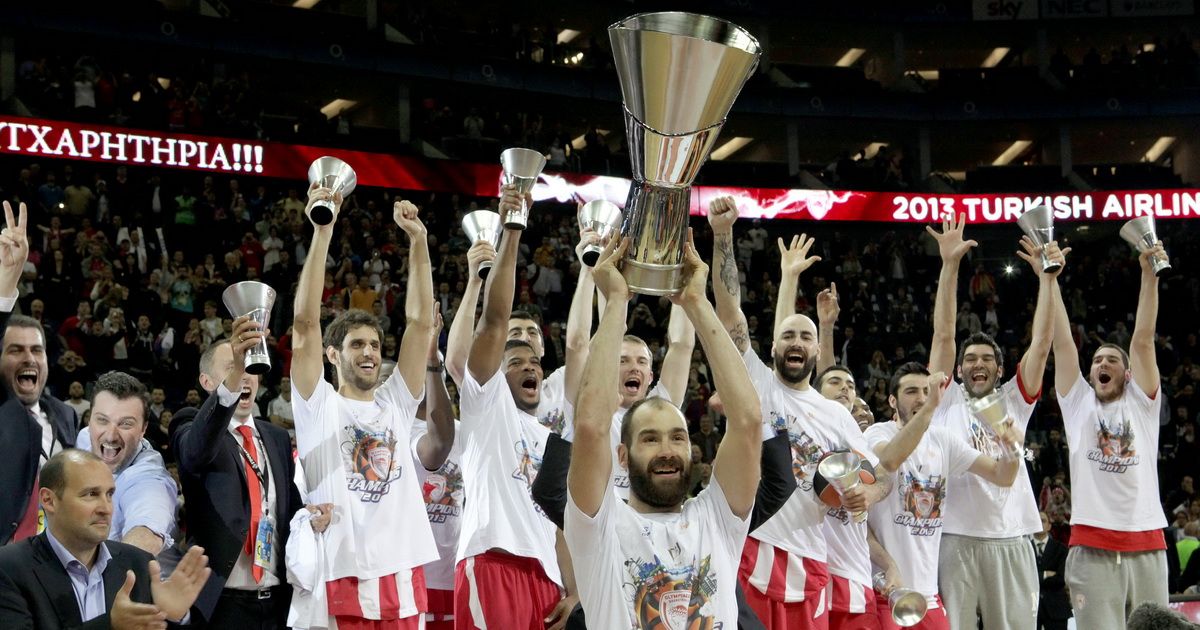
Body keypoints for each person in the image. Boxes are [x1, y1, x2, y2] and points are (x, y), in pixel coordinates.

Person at [566, 232, 763, 627]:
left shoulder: (717, 519)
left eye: (677, 437)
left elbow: (748, 421)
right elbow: (589, 425)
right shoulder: (600, 527)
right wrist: (616, 302)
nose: (667, 449)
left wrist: (696, 302)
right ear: (622, 456)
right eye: (650, 439)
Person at [709, 198, 889, 629]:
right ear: (774, 346)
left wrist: (869, 494)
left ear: (816, 350)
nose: (796, 342)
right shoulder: (758, 382)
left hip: (812, 556)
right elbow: (730, 312)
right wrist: (722, 234)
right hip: (755, 542)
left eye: (806, 337)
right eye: (788, 335)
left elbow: (879, 474)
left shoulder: (837, 415)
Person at [289, 187, 449, 629]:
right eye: (357, 344)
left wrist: (419, 241)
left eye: (375, 345)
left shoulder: (396, 402)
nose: (370, 353)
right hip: (342, 572)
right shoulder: (318, 405)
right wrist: (323, 230)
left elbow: (420, 324)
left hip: (402, 574)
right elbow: (305, 324)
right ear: (333, 355)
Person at [925, 215, 1060, 630]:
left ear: (1000, 370)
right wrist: (949, 265)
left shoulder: (1014, 400)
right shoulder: (945, 399)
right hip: (955, 537)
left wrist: (1047, 279)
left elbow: (1042, 343)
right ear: (959, 371)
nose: (977, 363)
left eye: (986, 359)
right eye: (970, 359)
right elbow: (944, 335)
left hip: (1012, 535)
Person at [453, 184, 575, 629]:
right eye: (516, 362)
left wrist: (573, 588)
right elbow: (495, 321)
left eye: (535, 363)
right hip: (493, 561)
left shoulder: (554, 440)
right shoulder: (487, 406)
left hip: (546, 578)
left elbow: (559, 524)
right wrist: (513, 230)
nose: (530, 367)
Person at [1049, 237, 1171, 629]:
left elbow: (1143, 338)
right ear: (1090, 373)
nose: (1103, 363)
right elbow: (1062, 343)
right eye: (1097, 359)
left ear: (1128, 374)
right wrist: (1050, 279)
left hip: (1147, 541)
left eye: (1112, 360)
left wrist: (1149, 276)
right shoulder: (1077, 403)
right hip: (1091, 544)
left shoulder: (1142, 402)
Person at [170, 320, 316, 628]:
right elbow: (195, 452)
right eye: (232, 368)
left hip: (278, 603)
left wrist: (311, 517)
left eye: (249, 367)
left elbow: (290, 510)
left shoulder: (276, 437)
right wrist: (235, 373)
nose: (244, 375)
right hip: (221, 605)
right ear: (207, 381)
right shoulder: (190, 424)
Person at [865, 363, 1020, 630]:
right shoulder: (877, 433)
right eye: (911, 391)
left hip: (928, 595)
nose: (922, 398)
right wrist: (929, 409)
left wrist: (1012, 449)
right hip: (885, 590)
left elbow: (1001, 476)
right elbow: (889, 460)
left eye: (927, 391)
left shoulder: (943, 440)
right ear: (892, 400)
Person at [0, 449, 210, 628]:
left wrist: (171, 616)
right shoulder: (9, 568)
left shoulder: (139, 563)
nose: (106, 508)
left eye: (109, 494)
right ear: (49, 500)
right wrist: (111, 625)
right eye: (91, 494)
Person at [0, 201, 80, 546]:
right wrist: (7, 280)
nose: (28, 358)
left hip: (53, 558)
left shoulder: (65, 415)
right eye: (15, 350)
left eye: (36, 350)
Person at [74, 371, 178, 556]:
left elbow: (147, 532)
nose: (110, 436)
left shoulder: (149, 479)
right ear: (90, 420)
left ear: (143, 429)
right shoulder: (85, 437)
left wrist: (123, 568)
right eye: (102, 420)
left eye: (125, 424)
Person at [1032, 512, 1070, 630]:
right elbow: (1020, 579)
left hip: (1056, 607)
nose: (1039, 523)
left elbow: (1061, 579)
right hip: (1030, 608)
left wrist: (1034, 578)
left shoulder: (1061, 549)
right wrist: (1045, 574)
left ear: (1049, 526)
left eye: (1043, 521)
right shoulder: (1023, 549)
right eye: (1036, 520)